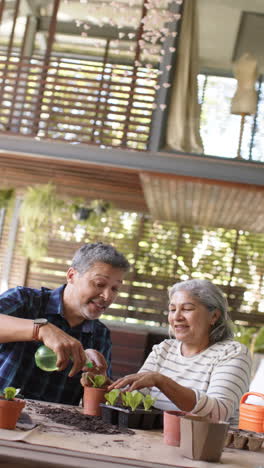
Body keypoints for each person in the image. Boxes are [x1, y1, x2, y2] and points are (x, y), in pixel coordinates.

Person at [0, 242, 130, 405]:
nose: (107, 296)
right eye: (99, 284)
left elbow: (101, 405)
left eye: (115, 289)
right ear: (71, 276)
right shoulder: (25, 300)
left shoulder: (101, 334)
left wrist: (100, 379)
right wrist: (41, 329)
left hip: (52, 428)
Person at [108, 279, 252, 424]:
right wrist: (103, 384)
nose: (176, 317)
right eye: (172, 309)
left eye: (187, 309)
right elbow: (134, 397)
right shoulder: (164, 349)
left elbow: (218, 413)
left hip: (206, 443)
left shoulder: (232, 353)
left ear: (214, 316)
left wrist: (162, 381)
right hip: (154, 438)